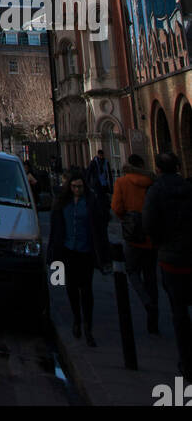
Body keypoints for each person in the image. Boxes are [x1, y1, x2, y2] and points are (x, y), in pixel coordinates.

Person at [143, 151, 192, 383]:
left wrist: (159, 243)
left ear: (159, 169)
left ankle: (187, 361)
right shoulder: (189, 188)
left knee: (179, 312)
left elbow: (149, 223)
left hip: (171, 259)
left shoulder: (156, 191)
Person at [48, 169, 110, 346]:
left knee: (87, 289)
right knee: (70, 287)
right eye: (74, 186)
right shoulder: (62, 202)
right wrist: (53, 252)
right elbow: (55, 228)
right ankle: (76, 319)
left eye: (80, 187)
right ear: (69, 187)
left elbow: (101, 224)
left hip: (86, 251)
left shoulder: (91, 202)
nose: (77, 190)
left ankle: (87, 326)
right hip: (67, 250)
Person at [111, 154, 159, 333]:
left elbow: (116, 207)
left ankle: (146, 302)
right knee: (151, 275)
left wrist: (127, 220)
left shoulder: (122, 182)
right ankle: (153, 319)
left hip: (132, 236)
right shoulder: (152, 182)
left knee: (131, 271)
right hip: (150, 236)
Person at [85, 148, 114, 219]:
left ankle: (105, 212)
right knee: (100, 198)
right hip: (97, 183)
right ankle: (102, 212)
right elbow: (89, 172)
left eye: (102, 155)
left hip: (104, 183)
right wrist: (88, 182)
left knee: (105, 198)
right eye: (100, 155)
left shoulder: (106, 162)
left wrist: (110, 183)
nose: (101, 156)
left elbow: (108, 172)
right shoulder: (94, 162)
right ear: (98, 155)